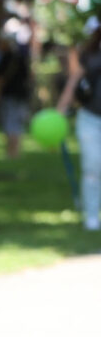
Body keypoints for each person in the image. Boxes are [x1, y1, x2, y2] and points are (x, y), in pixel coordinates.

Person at [58, 16, 101, 232]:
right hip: (91, 118)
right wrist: (60, 111)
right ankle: (92, 216)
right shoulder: (89, 54)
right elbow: (74, 82)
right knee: (93, 166)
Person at [0, 25, 31, 160]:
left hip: (10, 95)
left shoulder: (5, 58)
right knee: (16, 123)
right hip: (20, 94)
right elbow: (27, 76)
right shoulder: (21, 58)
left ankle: (11, 152)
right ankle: (15, 152)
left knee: (10, 122)